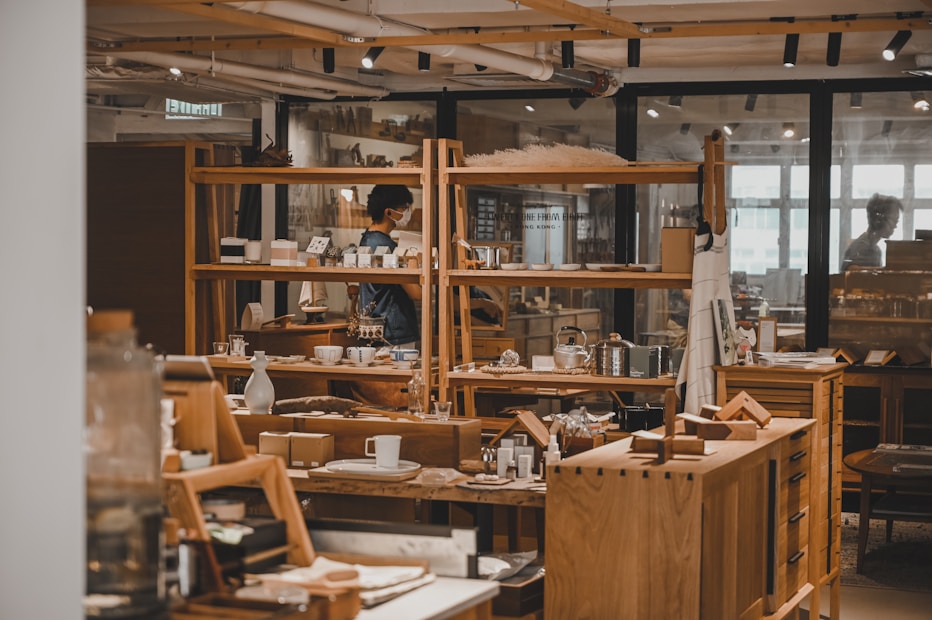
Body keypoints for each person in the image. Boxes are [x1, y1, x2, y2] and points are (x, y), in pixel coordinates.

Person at [358, 185, 421, 347]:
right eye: (404, 208)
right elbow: (416, 292)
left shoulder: (367, 240)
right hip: (394, 332)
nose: (408, 213)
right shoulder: (386, 247)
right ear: (389, 213)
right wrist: (413, 261)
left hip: (377, 329)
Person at [842, 193, 903, 271]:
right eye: (894, 221)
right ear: (879, 220)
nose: (895, 226)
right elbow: (852, 271)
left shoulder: (874, 249)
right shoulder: (862, 247)